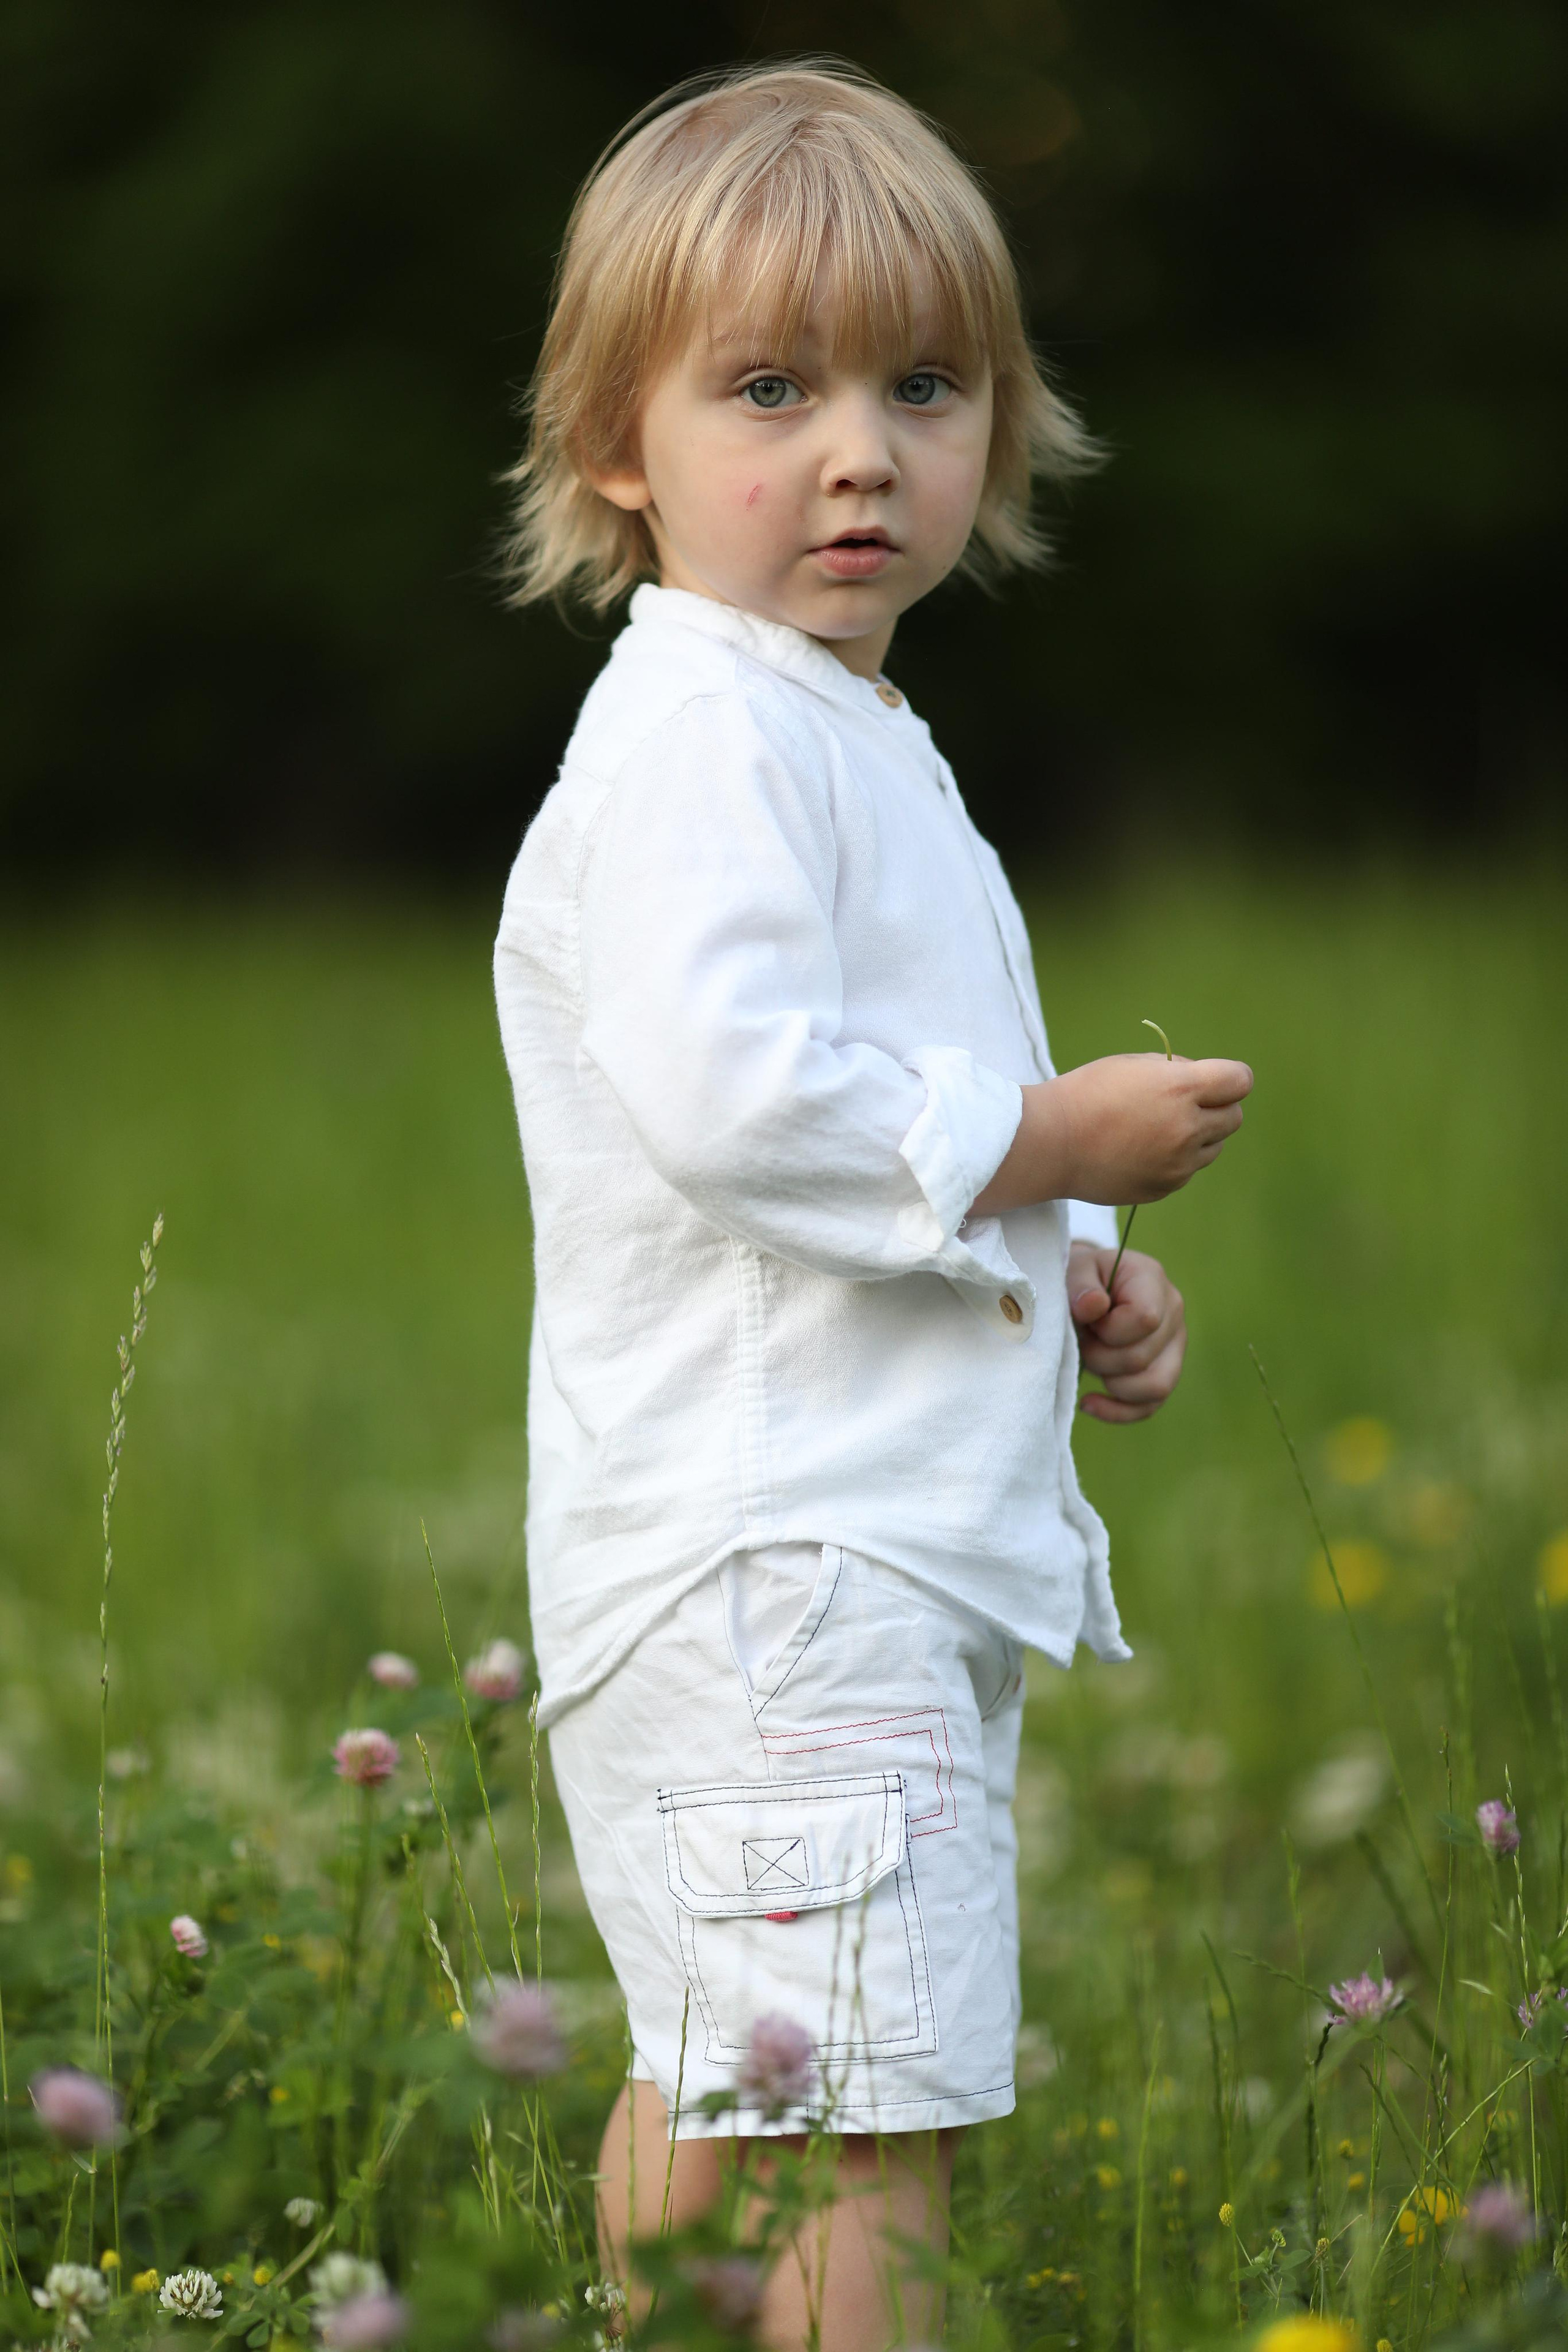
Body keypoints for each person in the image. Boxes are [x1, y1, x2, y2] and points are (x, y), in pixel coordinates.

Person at [492, 60, 1252, 2352]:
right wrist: (1051, 1143)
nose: (858, 448)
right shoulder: (708, 736)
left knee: (733, 2093)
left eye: (923, 386)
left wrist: (1065, 1269)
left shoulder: (830, 727)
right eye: (769, 386)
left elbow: (829, 1131)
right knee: (861, 2131)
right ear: (619, 445)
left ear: (994, 431)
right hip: (784, 1581)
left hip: (797, 1565)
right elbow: (746, 1105)